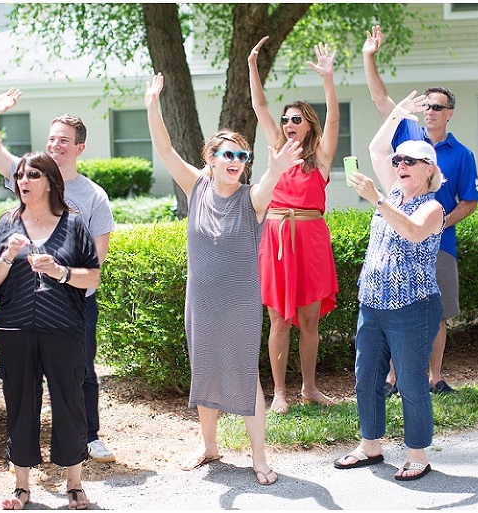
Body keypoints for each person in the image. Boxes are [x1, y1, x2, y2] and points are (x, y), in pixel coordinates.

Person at [144, 72, 303, 485]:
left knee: (245, 374)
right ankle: (210, 446)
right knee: (206, 369)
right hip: (201, 302)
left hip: (240, 304)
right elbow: (164, 148)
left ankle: (260, 457)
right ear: (211, 159)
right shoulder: (195, 186)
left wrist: (279, 166)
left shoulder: (252, 199)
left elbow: (270, 181)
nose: (236, 162)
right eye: (228, 155)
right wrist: (152, 105)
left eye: (242, 157)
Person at [0, 91, 117, 463]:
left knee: (81, 371)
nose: (55, 145)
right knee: (25, 382)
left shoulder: (92, 196)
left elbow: (96, 259)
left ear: (80, 148)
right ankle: (27, 450)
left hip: (74, 305)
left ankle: (89, 436)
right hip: (24, 309)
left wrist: (65, 277)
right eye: (52, 138)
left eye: (64, 141)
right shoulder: (30, 174)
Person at [363, 25, 478, 395]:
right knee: (397, 307)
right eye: (425, 105)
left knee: (437, 312)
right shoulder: (407, 136)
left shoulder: (462, 154)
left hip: (438, 242)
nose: (428, 110)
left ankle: (434, 377)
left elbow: (469, 201)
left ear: (449, 114)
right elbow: (381, 99)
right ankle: (395, 378)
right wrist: (370, 57)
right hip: (400, 236)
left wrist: (438, 223)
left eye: (436, 107)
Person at [334, 94, 443, 481]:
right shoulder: (392, 193)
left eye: (409, 161)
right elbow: (376, 147)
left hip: (413, 305)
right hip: (373, 303)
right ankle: (370, 445)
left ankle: (418, 453)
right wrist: (398, 113)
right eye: (398, 161)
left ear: (429, 170)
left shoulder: (432, 207)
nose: (399, 165)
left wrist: (376, 198)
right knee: (366, 376)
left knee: (411, 380)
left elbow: (413, 232)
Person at [0, 152, 100, 509]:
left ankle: (74, 483)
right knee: (20, 402)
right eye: (20, 176)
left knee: (69, 401)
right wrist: (6, 257)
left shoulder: (74, 224)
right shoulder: (6, 223)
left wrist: (59, 271)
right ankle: (21, 486)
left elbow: (92, 276)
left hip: (63, 327)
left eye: (33, 175)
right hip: (15, 327)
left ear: (50, 181)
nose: (24, 181)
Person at [248, 36, 340, 413]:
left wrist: (328, 79)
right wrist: (252, 66)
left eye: (295, 119)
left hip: (311, 238)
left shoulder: (320, 156)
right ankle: (280, 394)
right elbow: (259, 105)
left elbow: (334, 117)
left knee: (309, 320)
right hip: (276, 235)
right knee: (278, 319)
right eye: (285, 119)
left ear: (308, 125)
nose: (287, 123)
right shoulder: (276, 147)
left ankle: (310, 387)